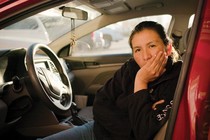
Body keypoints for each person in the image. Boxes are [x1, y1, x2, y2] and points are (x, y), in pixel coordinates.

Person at [40, 21, 182, 140]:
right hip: (97, 131)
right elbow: (100, 103)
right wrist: (130, 125)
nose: (145, 56)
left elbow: (143, 132)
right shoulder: (130, 67)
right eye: (138, 49)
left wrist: (141, 81)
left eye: (152, 46)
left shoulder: (177, 79)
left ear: (168, 48)